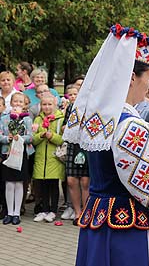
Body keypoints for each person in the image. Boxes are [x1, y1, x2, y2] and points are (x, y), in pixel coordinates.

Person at [63, 24, 149, 266]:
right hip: (125, 229)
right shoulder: (132, 126)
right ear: (132, 77)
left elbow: (120, 169)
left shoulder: (99, 119)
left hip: (98, 219)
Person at [0, 92, 34, 225]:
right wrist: (6, 138)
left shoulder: (27, 119)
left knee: (19, 183)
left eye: (21, 102)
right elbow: (0, 135)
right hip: (7, 153)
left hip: (21, 154)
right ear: (11, 103)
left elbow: (30, 137)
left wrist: (20, 138)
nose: (17, 104)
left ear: (24, 105)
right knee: (9, 183)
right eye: (15, 101)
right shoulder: (4, 119)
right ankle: (9, 212)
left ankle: (16, 212)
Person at [32, 94, 65, 223]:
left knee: (53, 186)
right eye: (44, 104)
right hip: (41, 159)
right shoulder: (37, 120)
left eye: (49, 104)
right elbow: (32, 139)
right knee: (42, 186)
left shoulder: (60, 119)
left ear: (55, 105)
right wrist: (41, 135)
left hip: (54, 159)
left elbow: (63, 139)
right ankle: (43, 209)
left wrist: (52, 137)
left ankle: (53, 210)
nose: (46, 107)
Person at [61, 85, 89, 225]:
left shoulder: (91, 106)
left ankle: (85, 212)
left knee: (85, 181)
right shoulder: (71, 108)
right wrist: (66, 127)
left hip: (85, 145)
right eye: (71, 94)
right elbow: (64, 126)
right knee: (71, 180)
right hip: (73, 144)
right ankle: (77, 212)